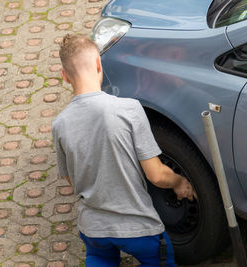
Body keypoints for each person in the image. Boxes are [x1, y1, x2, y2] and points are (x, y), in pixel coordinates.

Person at [52, 34, 196, 267]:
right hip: (139, 230)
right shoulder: (128, 109)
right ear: (99, 64)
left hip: (93, 231)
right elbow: (157, 175)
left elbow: (72, 180)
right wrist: (180, 183)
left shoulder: (60, 124)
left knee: (98, 258)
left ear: (65, 77)